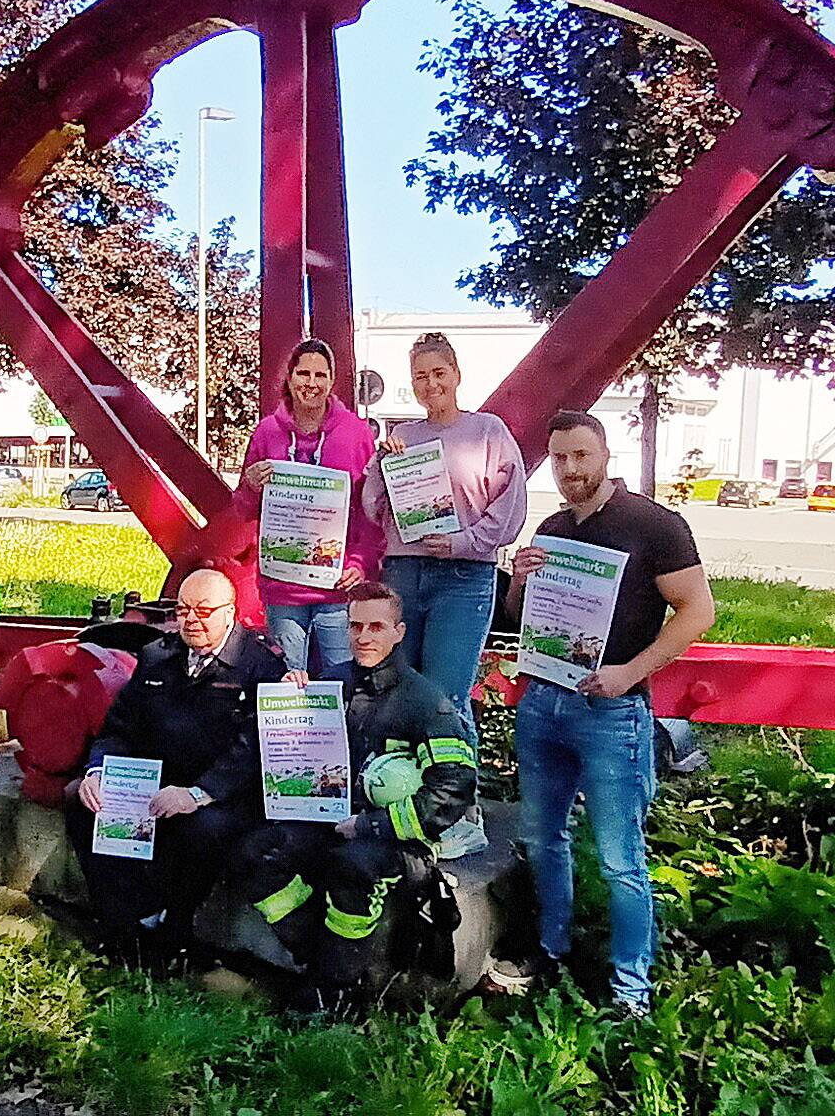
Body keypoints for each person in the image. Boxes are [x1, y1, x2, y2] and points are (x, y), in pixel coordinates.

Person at [487, 410, 713, 1016]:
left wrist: (629, 674)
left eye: (581, 456)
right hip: (544, 701)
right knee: (542, 837)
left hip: (611, 711)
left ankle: (631, 993)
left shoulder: (654, 525)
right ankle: (550, 949)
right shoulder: (554, 527)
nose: (570, 470)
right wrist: (519, 584)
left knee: (620, 859)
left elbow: (697, 613)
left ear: (605, 454)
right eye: (559, 459)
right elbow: (518, 618)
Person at [231, 582, 477, 1013]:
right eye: (355, 626)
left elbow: (451, 791)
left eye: (376, 627)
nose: (364, 636)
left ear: (399, 632)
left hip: (397, 838)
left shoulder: (427, 703)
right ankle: (320, 965)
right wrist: (295, 697)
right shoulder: (333, 682)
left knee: (350, 867)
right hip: (329, 818)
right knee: (256, 853)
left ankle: (337, 989)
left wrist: (370, 826)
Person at [67, 568, 285, 968]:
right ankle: (126, 921)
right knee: (79, 802)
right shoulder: (158, 655)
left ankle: (175, 928)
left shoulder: (260, 666)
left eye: (203, 611)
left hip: (222, 793)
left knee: (202, 830)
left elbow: (254, 747)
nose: (192, 620)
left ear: (230, 612)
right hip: (157, 780)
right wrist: (97, 772)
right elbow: (119, 728)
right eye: (183, 610)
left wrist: (198, 794)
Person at [361, 332, 525, 858]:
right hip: (406, 573)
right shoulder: (401, 437)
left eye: (439, 373)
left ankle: (459, 811)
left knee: (447, 693)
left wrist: (463, 541)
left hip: (463, 576)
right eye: (420, 376)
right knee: (400, 689)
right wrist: (381, 467)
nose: (430, 384)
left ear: (456, 374)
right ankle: (403, 798)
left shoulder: (488, 432)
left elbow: (511, 507)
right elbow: (373, 508)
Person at [239, 338, 383, 676]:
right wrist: (250, 485)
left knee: (342, 682)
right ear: (289, 379)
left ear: (332, 381)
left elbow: (371, 509)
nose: (311, 383)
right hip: (283, 589)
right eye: (303, 373)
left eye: (320, 375)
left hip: (336, 588)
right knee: (287, 686)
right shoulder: (266, 433)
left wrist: (360, 563)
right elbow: (244, 509)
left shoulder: (356, 434)